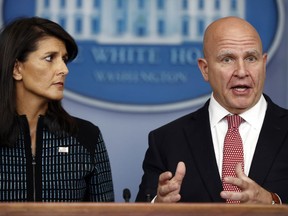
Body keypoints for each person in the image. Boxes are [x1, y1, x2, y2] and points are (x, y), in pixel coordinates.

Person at [136, 16, 288, 204]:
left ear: (263, 64)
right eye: (227, 59)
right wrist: (158, 205)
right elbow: (141, 208)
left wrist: (273, 203)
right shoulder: (166, 140)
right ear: (205, 69)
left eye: (250, 58)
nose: (242, 71)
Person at [0, 16, 114, 202]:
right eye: (49, 58)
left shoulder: (86, 136)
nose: (64, 69)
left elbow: (105, 212)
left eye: (64, 59)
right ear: (17, 69)